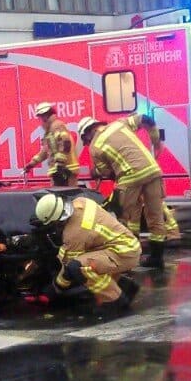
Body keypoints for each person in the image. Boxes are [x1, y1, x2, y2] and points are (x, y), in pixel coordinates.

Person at [78, 114, 167, 268]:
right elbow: (147, 119)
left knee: (119, 217)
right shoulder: (120, 124)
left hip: (130, 178)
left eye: (86, 140)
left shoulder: (95, 147)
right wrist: (156, 142)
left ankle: (127, 256)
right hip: (152, 171)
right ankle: (157, 259)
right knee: (155, 217)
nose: (87, 143)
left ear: (88, 132)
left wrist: (99, 173)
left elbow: (108, 173)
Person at [34, 192, 141, 314]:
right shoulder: (81, 202)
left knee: (79, 267)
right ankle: (125, 286)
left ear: (57, 220)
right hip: (126, 245)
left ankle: (115, 301)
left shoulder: (74, 234)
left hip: (124, 253)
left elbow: (69, 266)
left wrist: (56, 287)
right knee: (90, 256)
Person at [24, 102, 80, 187]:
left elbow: (65, 142)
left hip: (66, 170)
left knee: (68, 197)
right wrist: (32, 164)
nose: (41, 120)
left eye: (41, 116)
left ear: (46, 115)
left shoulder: (57, 125)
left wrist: (60, 164)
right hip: (58, 170)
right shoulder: (49, 131)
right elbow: (45, 152)